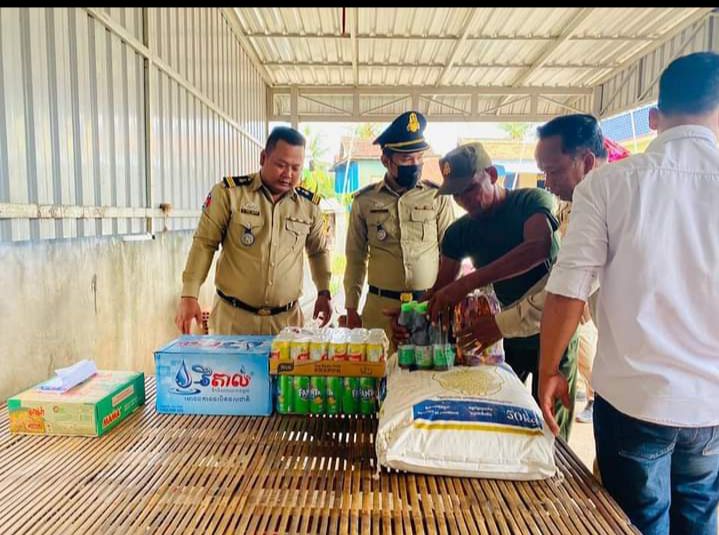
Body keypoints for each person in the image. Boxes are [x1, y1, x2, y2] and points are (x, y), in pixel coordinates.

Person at [538, 51, 719, 535]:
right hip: (711, 406)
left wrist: (550, 370)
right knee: (699, 520)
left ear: (655, 117)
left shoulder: (608, 185)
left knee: (634, 523)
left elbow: (569, 291)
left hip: (634, 402)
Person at [422, 141, 578, 441]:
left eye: (469, 189)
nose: (464, 200)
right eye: (456, 195)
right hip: (506, 331)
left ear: (492, 174)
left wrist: (467, 283)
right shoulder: (459, 233)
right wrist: (410, 314)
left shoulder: (531, 201)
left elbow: (538, 248)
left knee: (551, 429)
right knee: (503, 418)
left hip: (554, 332)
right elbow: (441, 292)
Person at [175, 126, 332, 336]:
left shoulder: (308, 206)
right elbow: (204, 243)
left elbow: (318, 252)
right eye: (281, 165)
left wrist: (324, 292)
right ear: (263, 157)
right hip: (233, 321)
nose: (288, 174)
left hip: (286, 323)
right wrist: (189, 295)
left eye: (296, 168)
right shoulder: (229, 194)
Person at [343, 111, 454, 341]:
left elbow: (450, 254)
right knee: (381, 363)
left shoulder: (437, 197)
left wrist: (445, 299)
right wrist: (351, 308)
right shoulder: (364, 201)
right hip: (380, 310)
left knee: (426, 364)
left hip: (426, 307)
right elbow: (355, 258)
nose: (415, 165)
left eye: (419, 158)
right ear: (386, 161)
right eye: (406, 159)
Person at [534, 113, 609, 424]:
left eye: (553, 171)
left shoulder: (603, 201)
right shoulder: (577, 201)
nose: (548, 183)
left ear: (587, 162)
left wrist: (548, 371)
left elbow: (566, 292)